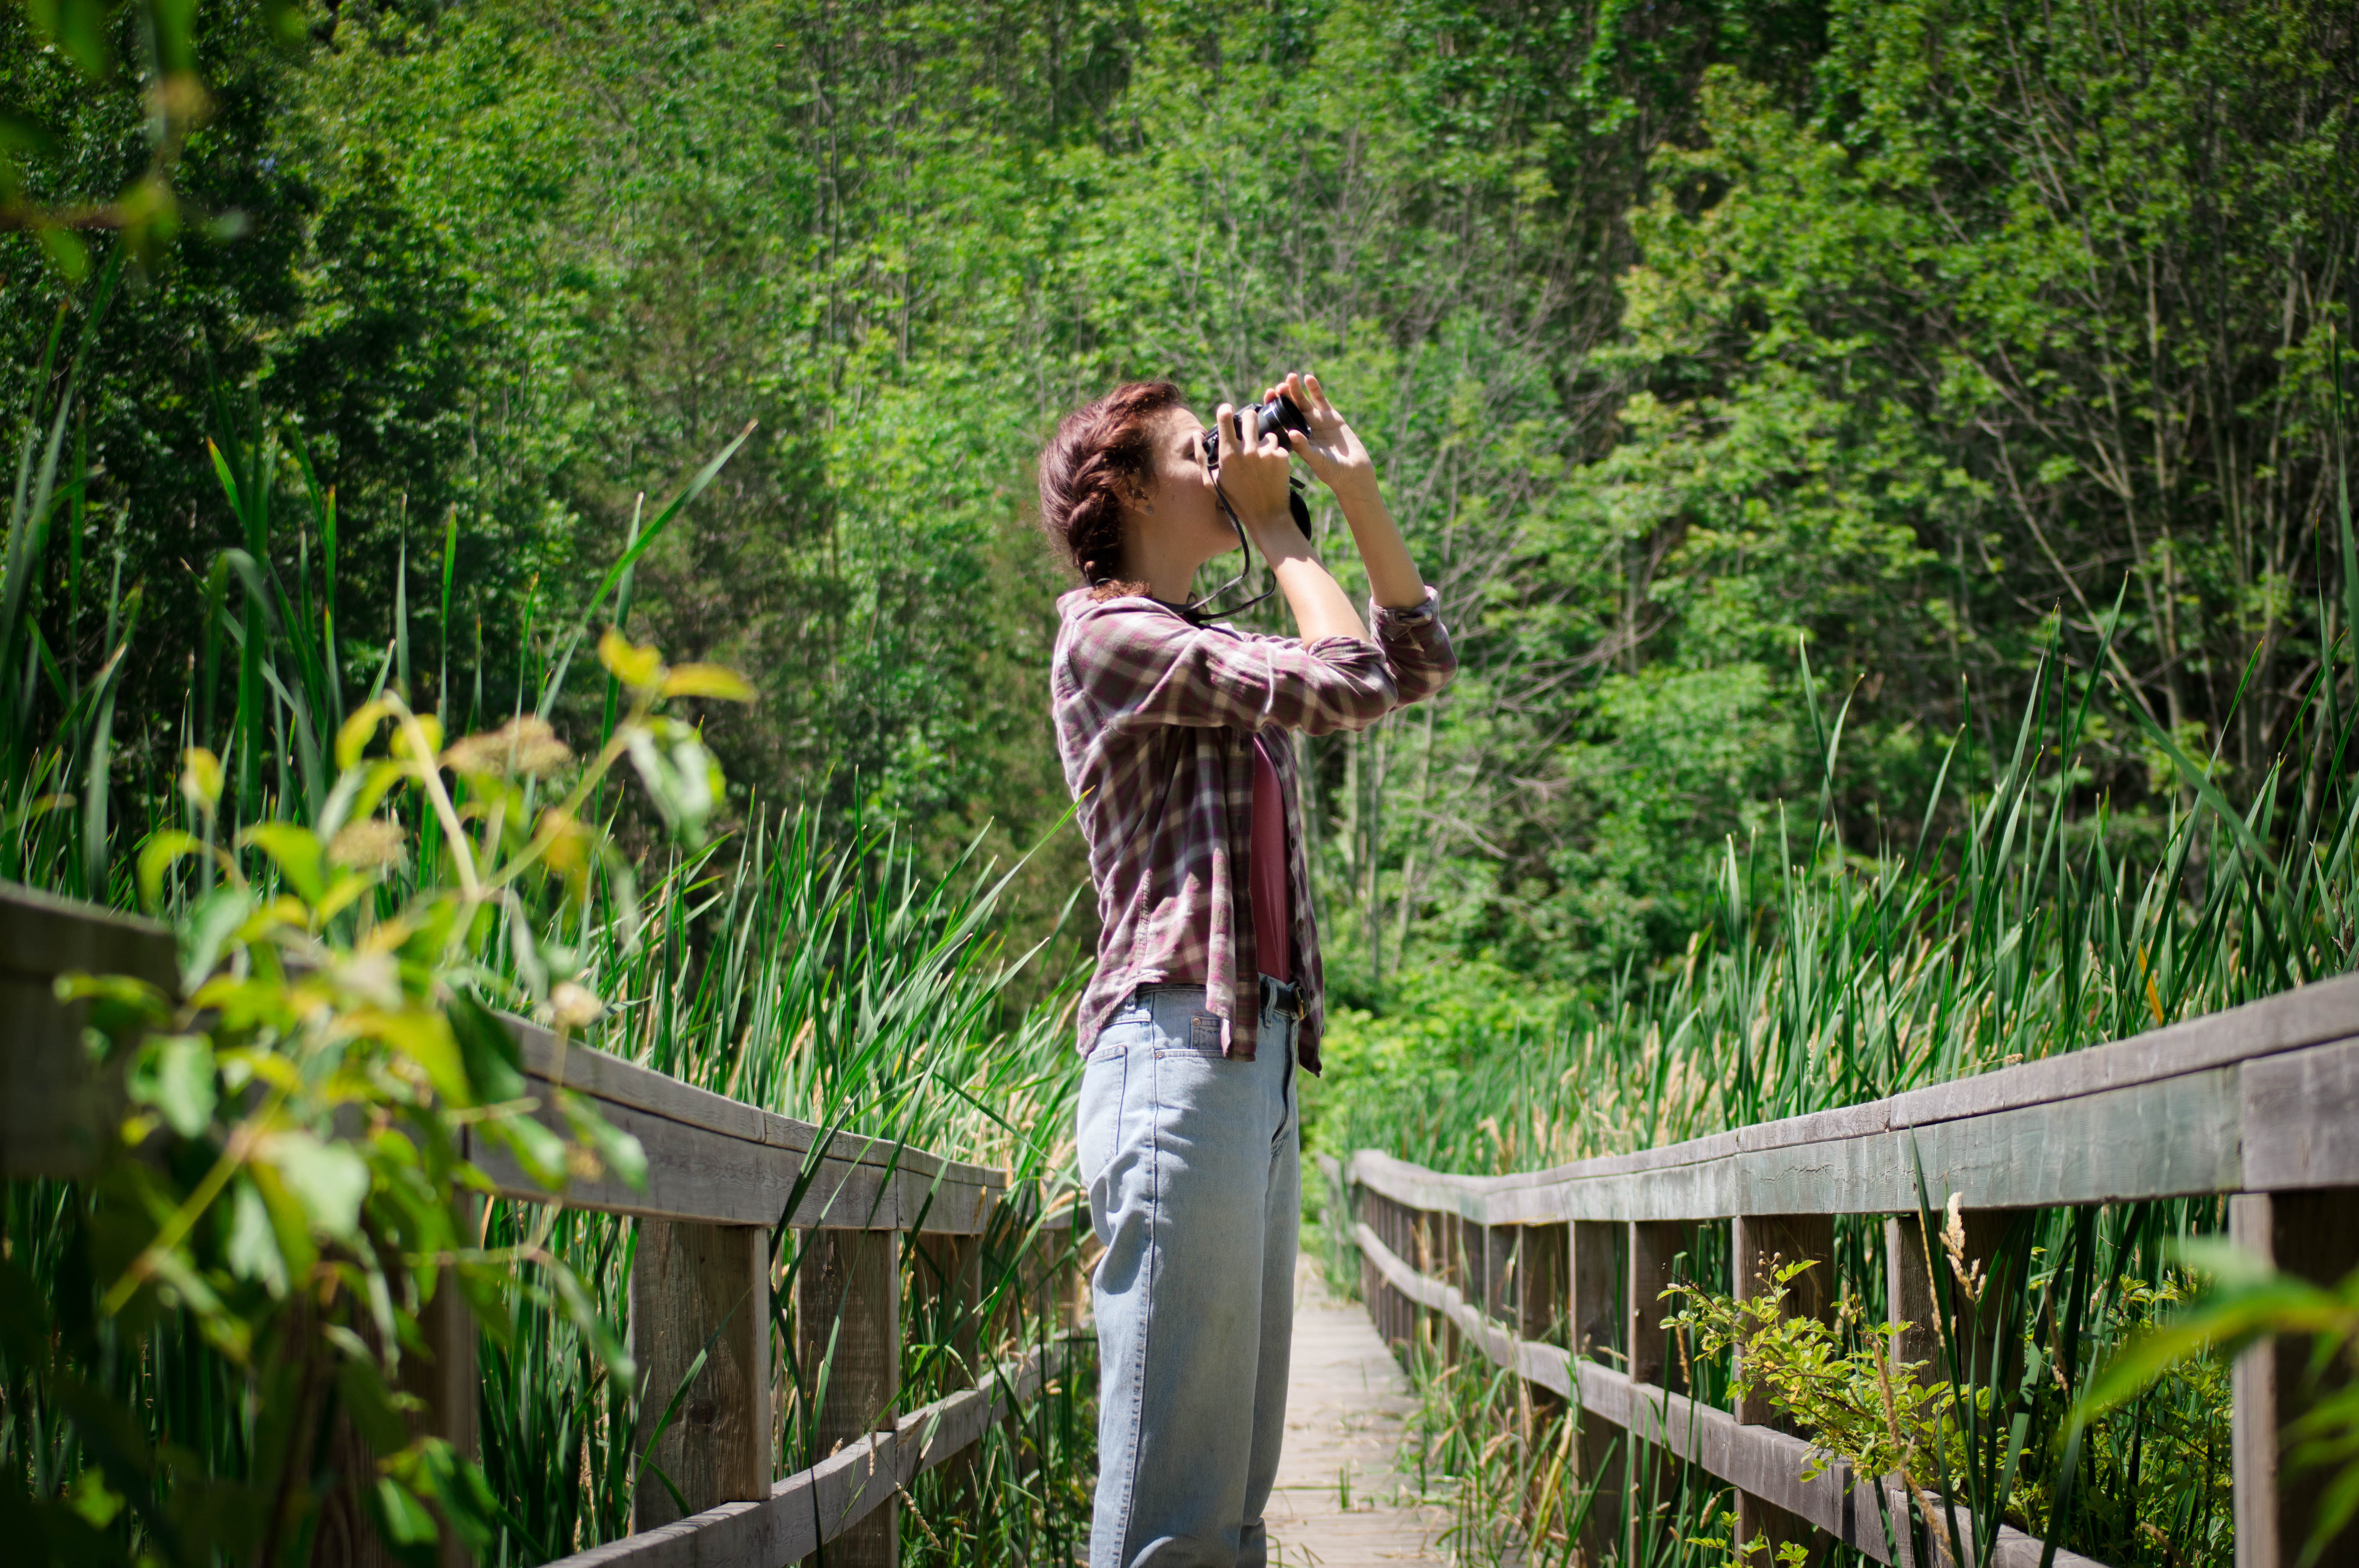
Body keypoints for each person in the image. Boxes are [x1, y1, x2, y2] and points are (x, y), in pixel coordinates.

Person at [1040, 371, 1456, 1568]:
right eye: (1194, 449)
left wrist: (1352, 489)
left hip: (1248, 1059)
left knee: (1228, 1506)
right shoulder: (1109, 636)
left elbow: (1409, 664)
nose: (1223, 459)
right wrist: (1275, 526)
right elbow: (1346, 681)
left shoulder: (1206, 647)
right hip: (1172, 1053)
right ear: (1122, 488)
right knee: (1172, 1500)